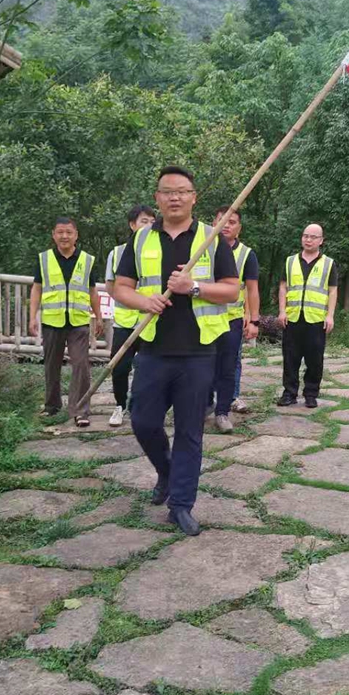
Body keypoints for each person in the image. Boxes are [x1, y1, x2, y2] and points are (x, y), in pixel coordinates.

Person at [114, 166, 239, 537]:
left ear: (193, 197)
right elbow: (121, 287)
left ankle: (181, 505)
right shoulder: (140, 240)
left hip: (198, 351)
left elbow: (231, 290)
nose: (174, 197)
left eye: (182, 191)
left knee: (189, 432)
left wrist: (193, 287)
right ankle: (167, 472)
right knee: (143, 421)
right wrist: (144, 301)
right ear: (157, 198)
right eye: (167, 191)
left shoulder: (211, 237)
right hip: (152, 348)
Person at [30, 216, 101, 427]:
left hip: (78, 322)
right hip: (52, 321)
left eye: (69, 232)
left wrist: (98, 316)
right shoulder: (44, 259)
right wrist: (33, 316)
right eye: (60, 232)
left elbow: (92, 291)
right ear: (53, 235)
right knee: (51, 365)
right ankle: (52, 406)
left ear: (76, 235)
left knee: (81, 365)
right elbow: (36, 289)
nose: (64, 236)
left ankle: (80, 410)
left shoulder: (87, 260)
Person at [207, 206, 260, 430]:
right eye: (222, 220)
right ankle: (204, 405)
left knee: (228, 367)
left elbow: (252, 289)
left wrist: (254, 320)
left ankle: (222, 413)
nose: (226, 225)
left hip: (231, 320)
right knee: (203, 366)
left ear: (239, 228)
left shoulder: (247, 254)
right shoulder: (202, 248)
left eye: (232, 222)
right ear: (213, 223)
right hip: (205, 319)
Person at [104, 204, 157, 427]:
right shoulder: (117, 253)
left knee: (147, 367)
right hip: (124, 321)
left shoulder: (157, 250)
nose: (149, 226)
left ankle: (139, 405)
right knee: (120, 366)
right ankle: (119, 405)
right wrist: (128, 300)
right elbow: (111, 286)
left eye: (152, 222)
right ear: (132, 225)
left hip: (150, 321)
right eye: (144, 221)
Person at [276, 222, 338, 408]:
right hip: (292, 317)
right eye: (305, 236)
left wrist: (330, 315)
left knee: (314, 359)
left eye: (313, 237)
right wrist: (282, 311)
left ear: (321, 240)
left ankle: (311, 394)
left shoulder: (328, 263)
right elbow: (283, 287)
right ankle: (289, 393)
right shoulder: (290, 261)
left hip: (316, 319)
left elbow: (332, 290)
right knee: (290, 358)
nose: (308, 240)